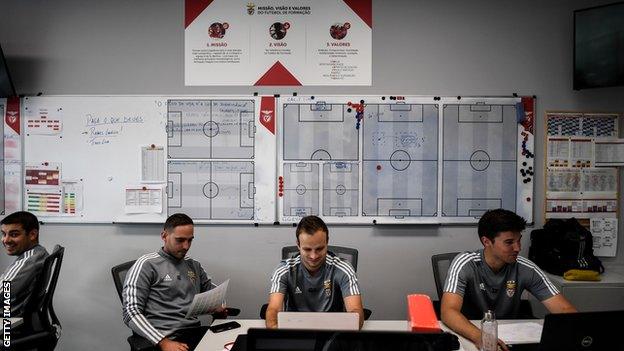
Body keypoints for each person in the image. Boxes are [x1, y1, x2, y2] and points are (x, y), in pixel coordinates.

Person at [441, 209, 576, 351]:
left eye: (519, 240)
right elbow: (448, 311)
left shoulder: (526, 268)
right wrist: (481, 337)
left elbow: (564, 309)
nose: (517, 248)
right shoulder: (465, 263)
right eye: (509, 242)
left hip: (509, 339)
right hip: (469, 336)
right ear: (486, 241)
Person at [122, 213, 223, 351]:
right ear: (164, 236)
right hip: (163, 337)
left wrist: (220, 305)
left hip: (193, 332)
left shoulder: (193, 265)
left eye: (190, 240)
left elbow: (213, 291)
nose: (186, 246)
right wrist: (163, 342)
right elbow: (131, 312)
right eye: (180, 240)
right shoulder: (147, 264)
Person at [265, 215, 365, 329]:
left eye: (319, 249)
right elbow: (273, 309)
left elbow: (356, 312)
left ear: (327, 242)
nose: (313, 256)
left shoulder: (344, 269)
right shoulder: (283, 270)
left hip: (332, 333)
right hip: (294, 331)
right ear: (298, 245)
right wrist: (276, 332)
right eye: (307, 249)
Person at [0, 211, 49, 317]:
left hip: (7, 320)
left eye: (14, 234)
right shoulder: (39, 252)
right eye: (3, 234)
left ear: (32, 234)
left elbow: (3, 291)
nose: (6, 240)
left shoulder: (29, 260)